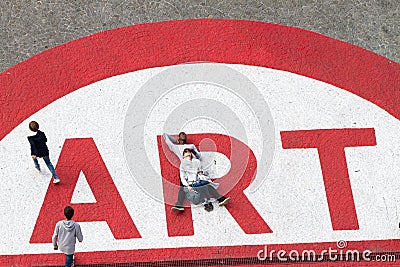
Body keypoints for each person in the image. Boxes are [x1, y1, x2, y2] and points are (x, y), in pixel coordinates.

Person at [163, 132, 230, 212]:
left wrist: (193, 152)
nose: (184, 134)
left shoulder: (191, 146)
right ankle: (179, 205)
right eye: (181, 134)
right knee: (183, 187)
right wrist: (176, 141)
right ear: (179, 138)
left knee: (205, 184)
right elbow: (165, 136)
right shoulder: (175, 147)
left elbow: (199, 156)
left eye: (185, 135)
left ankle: (220, 199)